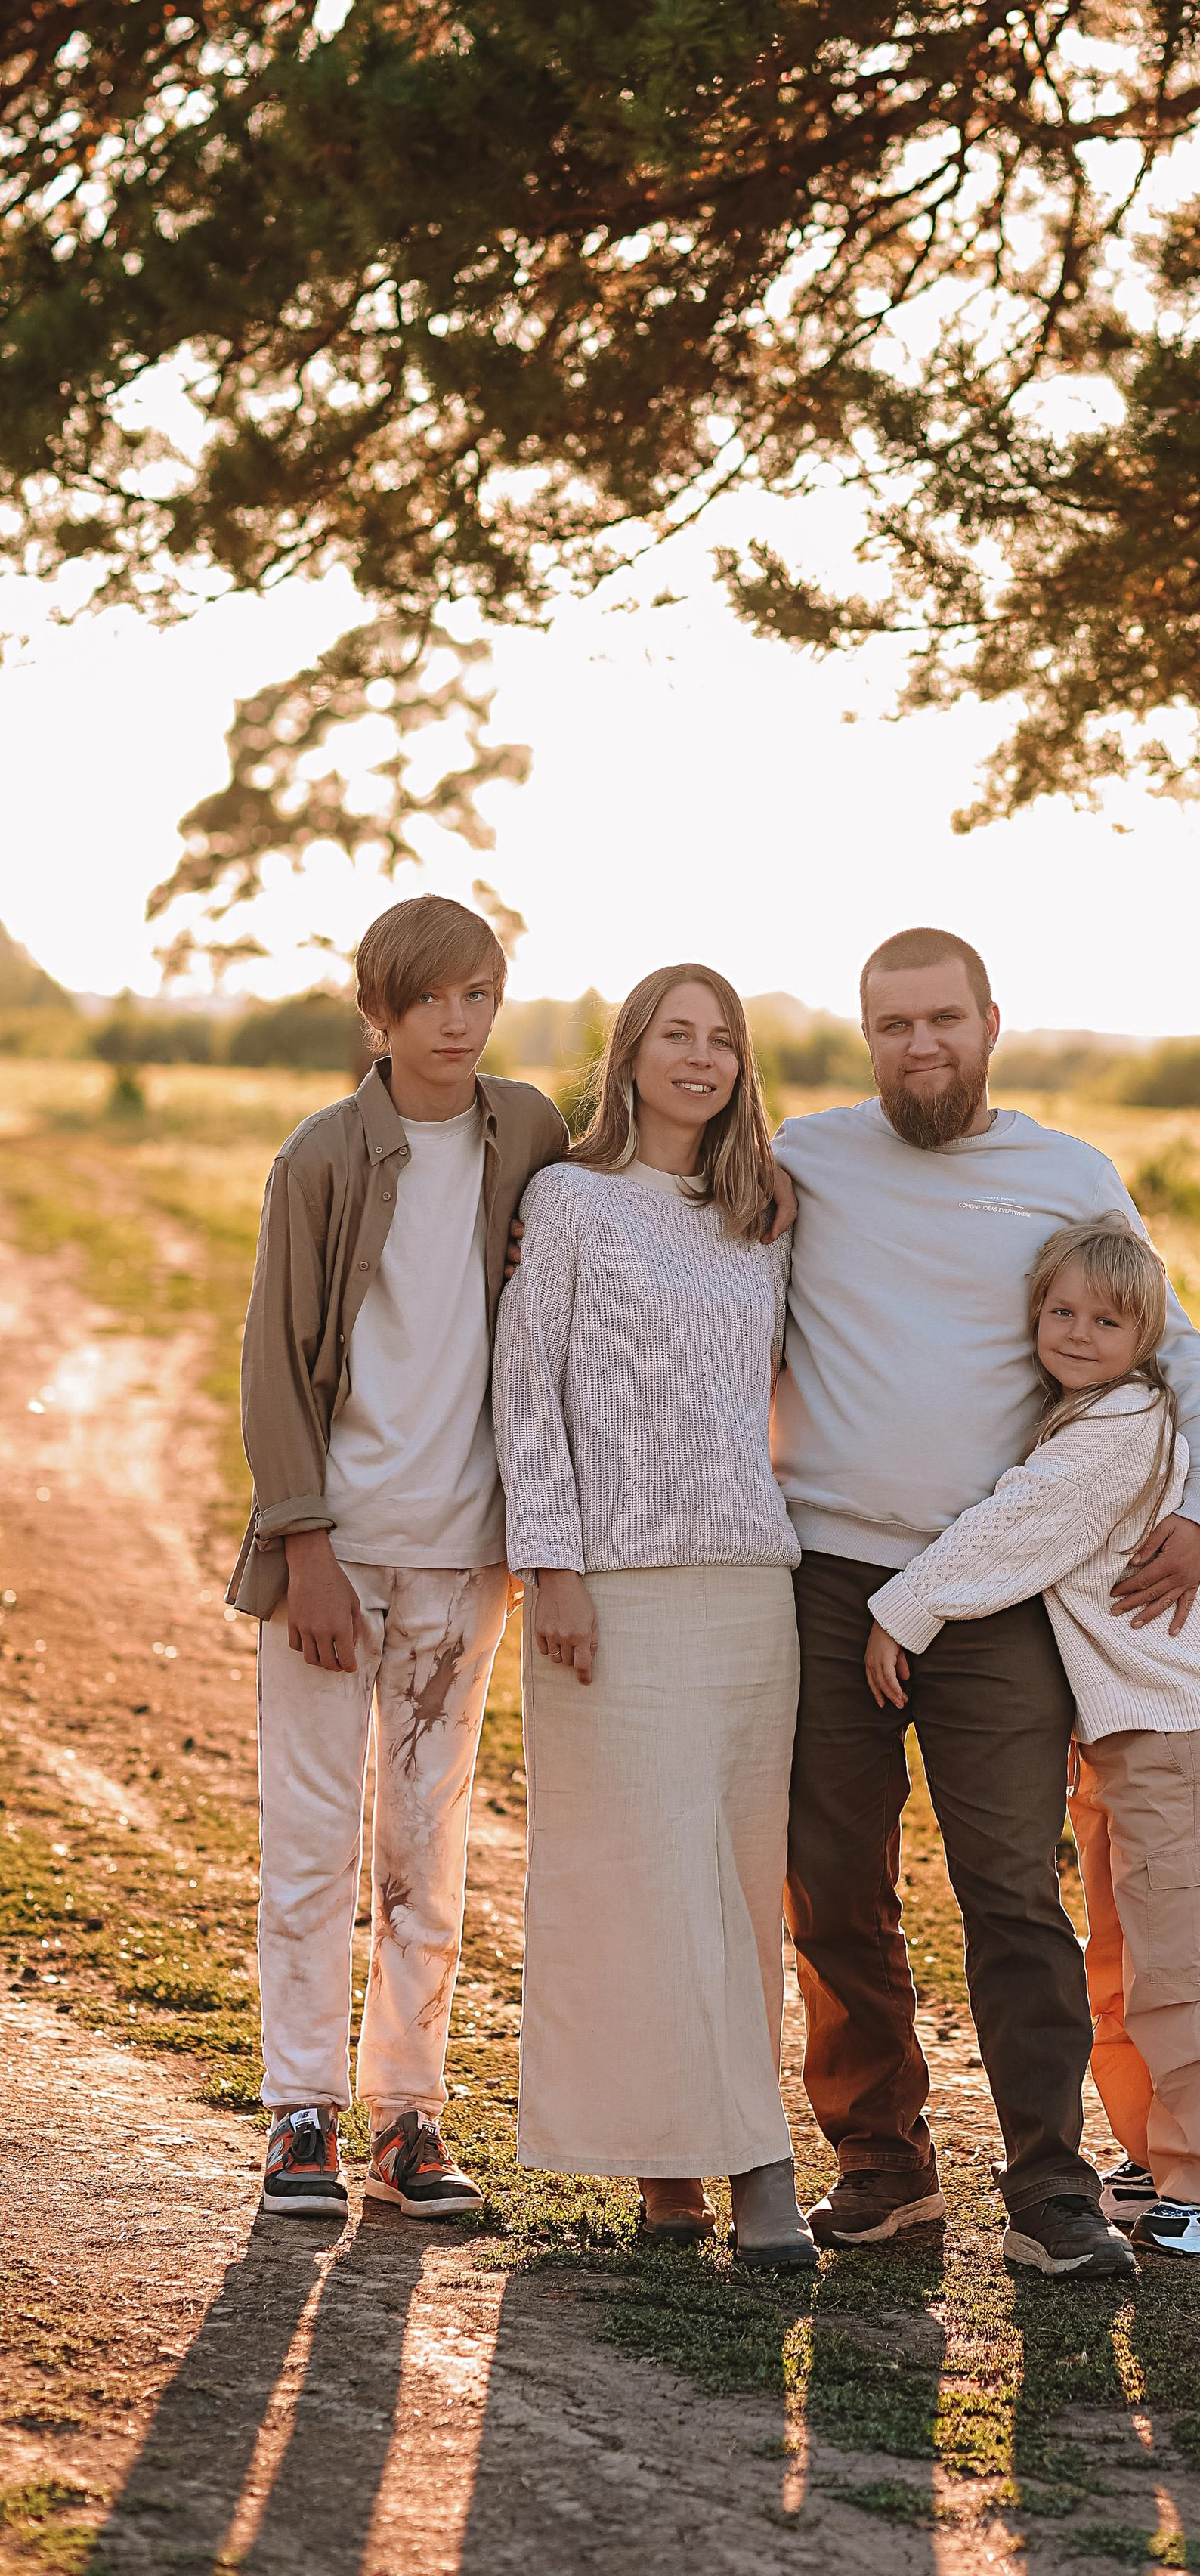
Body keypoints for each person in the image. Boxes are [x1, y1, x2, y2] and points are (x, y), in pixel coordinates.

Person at [775, 926, 1200, 2281]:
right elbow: (672, 1205)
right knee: (835, 1887)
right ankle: (883, 2169)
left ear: (991, 1021)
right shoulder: (808, 1157)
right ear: (866, 1038)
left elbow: (1175, 1349)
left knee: (1012, 1894)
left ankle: (1048, 2187)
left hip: (996, 1597)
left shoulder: (1065, 1174)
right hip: (828, 1580)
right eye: (890, 1026)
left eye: (942, 1020)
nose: (918, 1046)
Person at [231, 895, 568, 2221]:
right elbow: (273, 1364)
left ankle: (409, 2118)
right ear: (380, 1012)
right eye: (430, 998)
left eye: (479, 994)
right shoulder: (322, 1156)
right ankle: (299, 2112)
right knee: (311, 1837)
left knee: (426, 1847)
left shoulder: (528, 1129)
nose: (457, 1021)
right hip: (338, 1553)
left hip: (464, 1558)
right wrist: (302, 1542)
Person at [864, 1216, 1200, 2259]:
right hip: (1123, 1738)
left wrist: (901, 1609)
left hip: (1178, 1732)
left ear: (1147, 1337)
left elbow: (1016, 1526)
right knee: (1123, 1967)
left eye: (1108, 1319)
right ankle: (1160, 2157)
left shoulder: (1118, 1426)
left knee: (1185, 1966)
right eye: (1060, 1313)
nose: (1079, 1332)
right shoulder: (1078, 1415)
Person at [492, 964, 815, 2268]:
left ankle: (725, 2158)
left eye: (722, 1040)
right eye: (675, 1036)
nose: (700, 1058)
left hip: (749, 1593)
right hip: (608, 1597)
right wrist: (550, 1564)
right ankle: (706, 2171)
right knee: (633, 1885)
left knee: (735, 1888)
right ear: (628, 1056)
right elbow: (527, 1384)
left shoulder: (761, 1213)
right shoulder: (567, 1203)